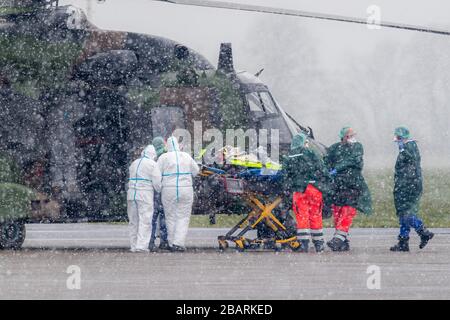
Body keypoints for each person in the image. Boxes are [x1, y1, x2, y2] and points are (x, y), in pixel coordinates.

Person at [324, 127, 372, 251]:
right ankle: (342, 240)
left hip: (352, 184)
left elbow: (354, 160)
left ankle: (339, 238)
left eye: (353, 135)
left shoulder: (357, 147)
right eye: (350, 135)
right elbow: (327, 160)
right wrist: (328, 170)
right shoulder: (335, 148)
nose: (352, 137)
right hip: (338, 185)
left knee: (347, 210)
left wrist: (338, 168)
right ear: (344, 136)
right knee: (338, 211)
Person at [282, 133, 330, 253]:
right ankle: (319, 244)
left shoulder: (290, 155)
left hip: (299, 190)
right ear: (304, 142)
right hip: (314, 188)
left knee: (302, 216)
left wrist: (288, 186)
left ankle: (304, 244)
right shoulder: (312, 153)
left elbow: (285, 174)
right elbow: (322, 169)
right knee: (316, 215)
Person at [390, 126, 434, 252]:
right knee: (403, 214)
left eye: (398, 138)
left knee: (406, 213)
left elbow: (411, 162)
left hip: (409, 186)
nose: (397, 141)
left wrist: (403, 150)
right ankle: (403, 241)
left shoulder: (410, 146)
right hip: (405, 186)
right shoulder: (406, 148)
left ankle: (423, 231)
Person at [157, 136, 199, 252]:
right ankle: (179, 243)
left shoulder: (163, 157)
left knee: (170, 216)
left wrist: (159, 187)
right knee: (183, 217)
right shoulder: (186, 156)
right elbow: (196, 171)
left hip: (168, 189)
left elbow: (156, 174)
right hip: (185, 189)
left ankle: (171, 242)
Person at [127, 145, 162, 253]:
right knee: (145, 220)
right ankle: (141, 246)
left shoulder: (134, 163)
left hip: (131, 194)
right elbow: (157, 183)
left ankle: (133, 245)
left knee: (133, 221)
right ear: (153, 155)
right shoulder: (152, 164)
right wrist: (160, 189)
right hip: (144, 194)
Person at [149, 136, 169, 251]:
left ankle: (150, 241)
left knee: (152, 217)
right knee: (164, 216)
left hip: (154, 190)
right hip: (165, 189)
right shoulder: (166, 156)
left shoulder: (152, 157)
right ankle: (164, 240)